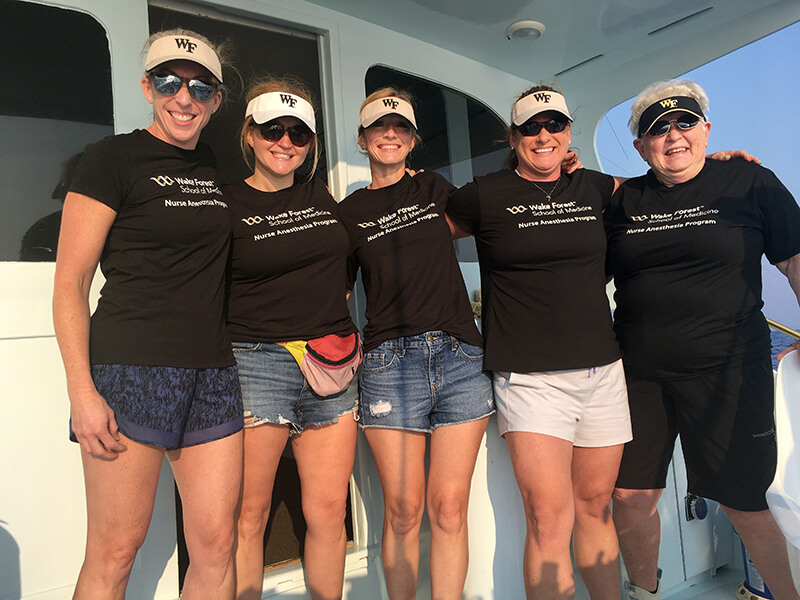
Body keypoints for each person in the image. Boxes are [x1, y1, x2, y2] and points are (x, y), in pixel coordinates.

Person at [53, 30, 243, 598]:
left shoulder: (212, 165)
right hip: (130, 371)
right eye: (169, 81)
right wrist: (82, 393)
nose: (183, 97)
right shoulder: (112, 158)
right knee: (115, 551)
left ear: (214, 101)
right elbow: (71, 283)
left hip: (212, 372)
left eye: (200, 87)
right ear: (147, 87)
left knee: (217, 546)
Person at [606, 79, 800, 600]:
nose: (673, 135)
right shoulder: (621, 199)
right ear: (641, 145)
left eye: (685, 122)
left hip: (731, 369)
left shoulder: (749, 181)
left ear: (706, 129)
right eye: (657, 129)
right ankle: (643, 593)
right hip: (640, 373)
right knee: (628, 496)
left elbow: (794, 258)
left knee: (744, 499)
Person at [446, 85, 631, 600]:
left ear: (569, 131)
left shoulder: (597, 188)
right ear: (513, 136)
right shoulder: (484, 194)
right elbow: (420, 236)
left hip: (602, 371)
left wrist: (724, 162)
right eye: (531, 127)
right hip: (529, 377)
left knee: (595, 505)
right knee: (549, 518)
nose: (544, 135)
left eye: (554, 125)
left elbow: (665, 190)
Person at [336, 88, 494, 600]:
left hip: (460, 358)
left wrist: (563, 168)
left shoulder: (435, 189)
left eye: (400, 126)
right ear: (362, 139)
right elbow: (335, 291)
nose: (389, 134)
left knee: (449, 507)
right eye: (378, 127)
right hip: (388, 363)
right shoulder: (350, 211)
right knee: (403, 511)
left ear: (412, 138)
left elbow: (504, 210)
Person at [225, 79, 360, 600]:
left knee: (328, 510)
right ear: (251, 134)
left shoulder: (322, 195)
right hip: (257, 362)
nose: (285, 141)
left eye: (299, 133)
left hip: (332, 361)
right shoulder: (226, 201)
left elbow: (346, 264)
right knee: (249, 515)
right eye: (272, 129)